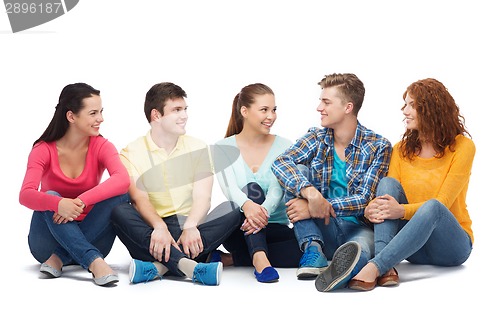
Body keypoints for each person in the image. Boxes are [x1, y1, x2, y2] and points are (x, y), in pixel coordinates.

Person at [348, 78, 475, 291]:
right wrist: (371, 208)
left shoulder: (463, 147)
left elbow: (442, 203)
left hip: (452, 246)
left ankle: (376, 266)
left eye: (412, 105)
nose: (404, 111)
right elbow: (387, 198)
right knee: (387, 183)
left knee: (433, 207)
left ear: (432, 108)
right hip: (413, 248)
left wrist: (399, 211)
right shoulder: (401, 149)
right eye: (404, 104)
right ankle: (386, 265)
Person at [111, 82, 241, 286]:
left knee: (233, 208)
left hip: (189, 228)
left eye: (185, 109)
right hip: (152, 232)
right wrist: (159, 227)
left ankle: (157, 268)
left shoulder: (198, 147)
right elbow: (139, 199)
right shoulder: (130, 152)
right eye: (176, 110)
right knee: (118, 211)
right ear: (156, 116)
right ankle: (192, 267)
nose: (184, 116)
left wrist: (190, 226)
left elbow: (203, 197)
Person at [272, 73, 392, 292]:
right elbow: (280, 162)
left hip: (358, 227)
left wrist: (316, 207)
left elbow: (365, 199)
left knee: (362, 248)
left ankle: (347, 265)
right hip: (320, 229)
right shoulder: (317, 137)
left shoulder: (378, 145)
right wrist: (311, 194)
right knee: (297, 171)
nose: (319, 107)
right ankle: (313, 249)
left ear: (348, 107)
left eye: (326, 102)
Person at [19, 83, 130, 286]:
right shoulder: (43, 149)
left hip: (94, 237)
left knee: (122, 194)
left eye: (101, 112)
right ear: (71, 116)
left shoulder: (102, 145)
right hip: (46, 243)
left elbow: (123, 180)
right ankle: (93, 261)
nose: (101, 119)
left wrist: (79, 201)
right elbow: (25, 195)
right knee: (51, 195)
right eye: (93, 113)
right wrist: (57, 204)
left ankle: (60, 257)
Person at [214, 83, 302, 283]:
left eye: (274, 110)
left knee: (302, 252)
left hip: (274, 228)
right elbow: (230, 190)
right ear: (244, 111)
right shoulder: (222, 147)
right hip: (239, 227)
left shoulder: (285, 146)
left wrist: (261, 215)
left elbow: (276, 190)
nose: (271, 116)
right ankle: (260, 260)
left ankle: (232, 259)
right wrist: (248, 207)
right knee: (252, 190)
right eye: (264, 110)